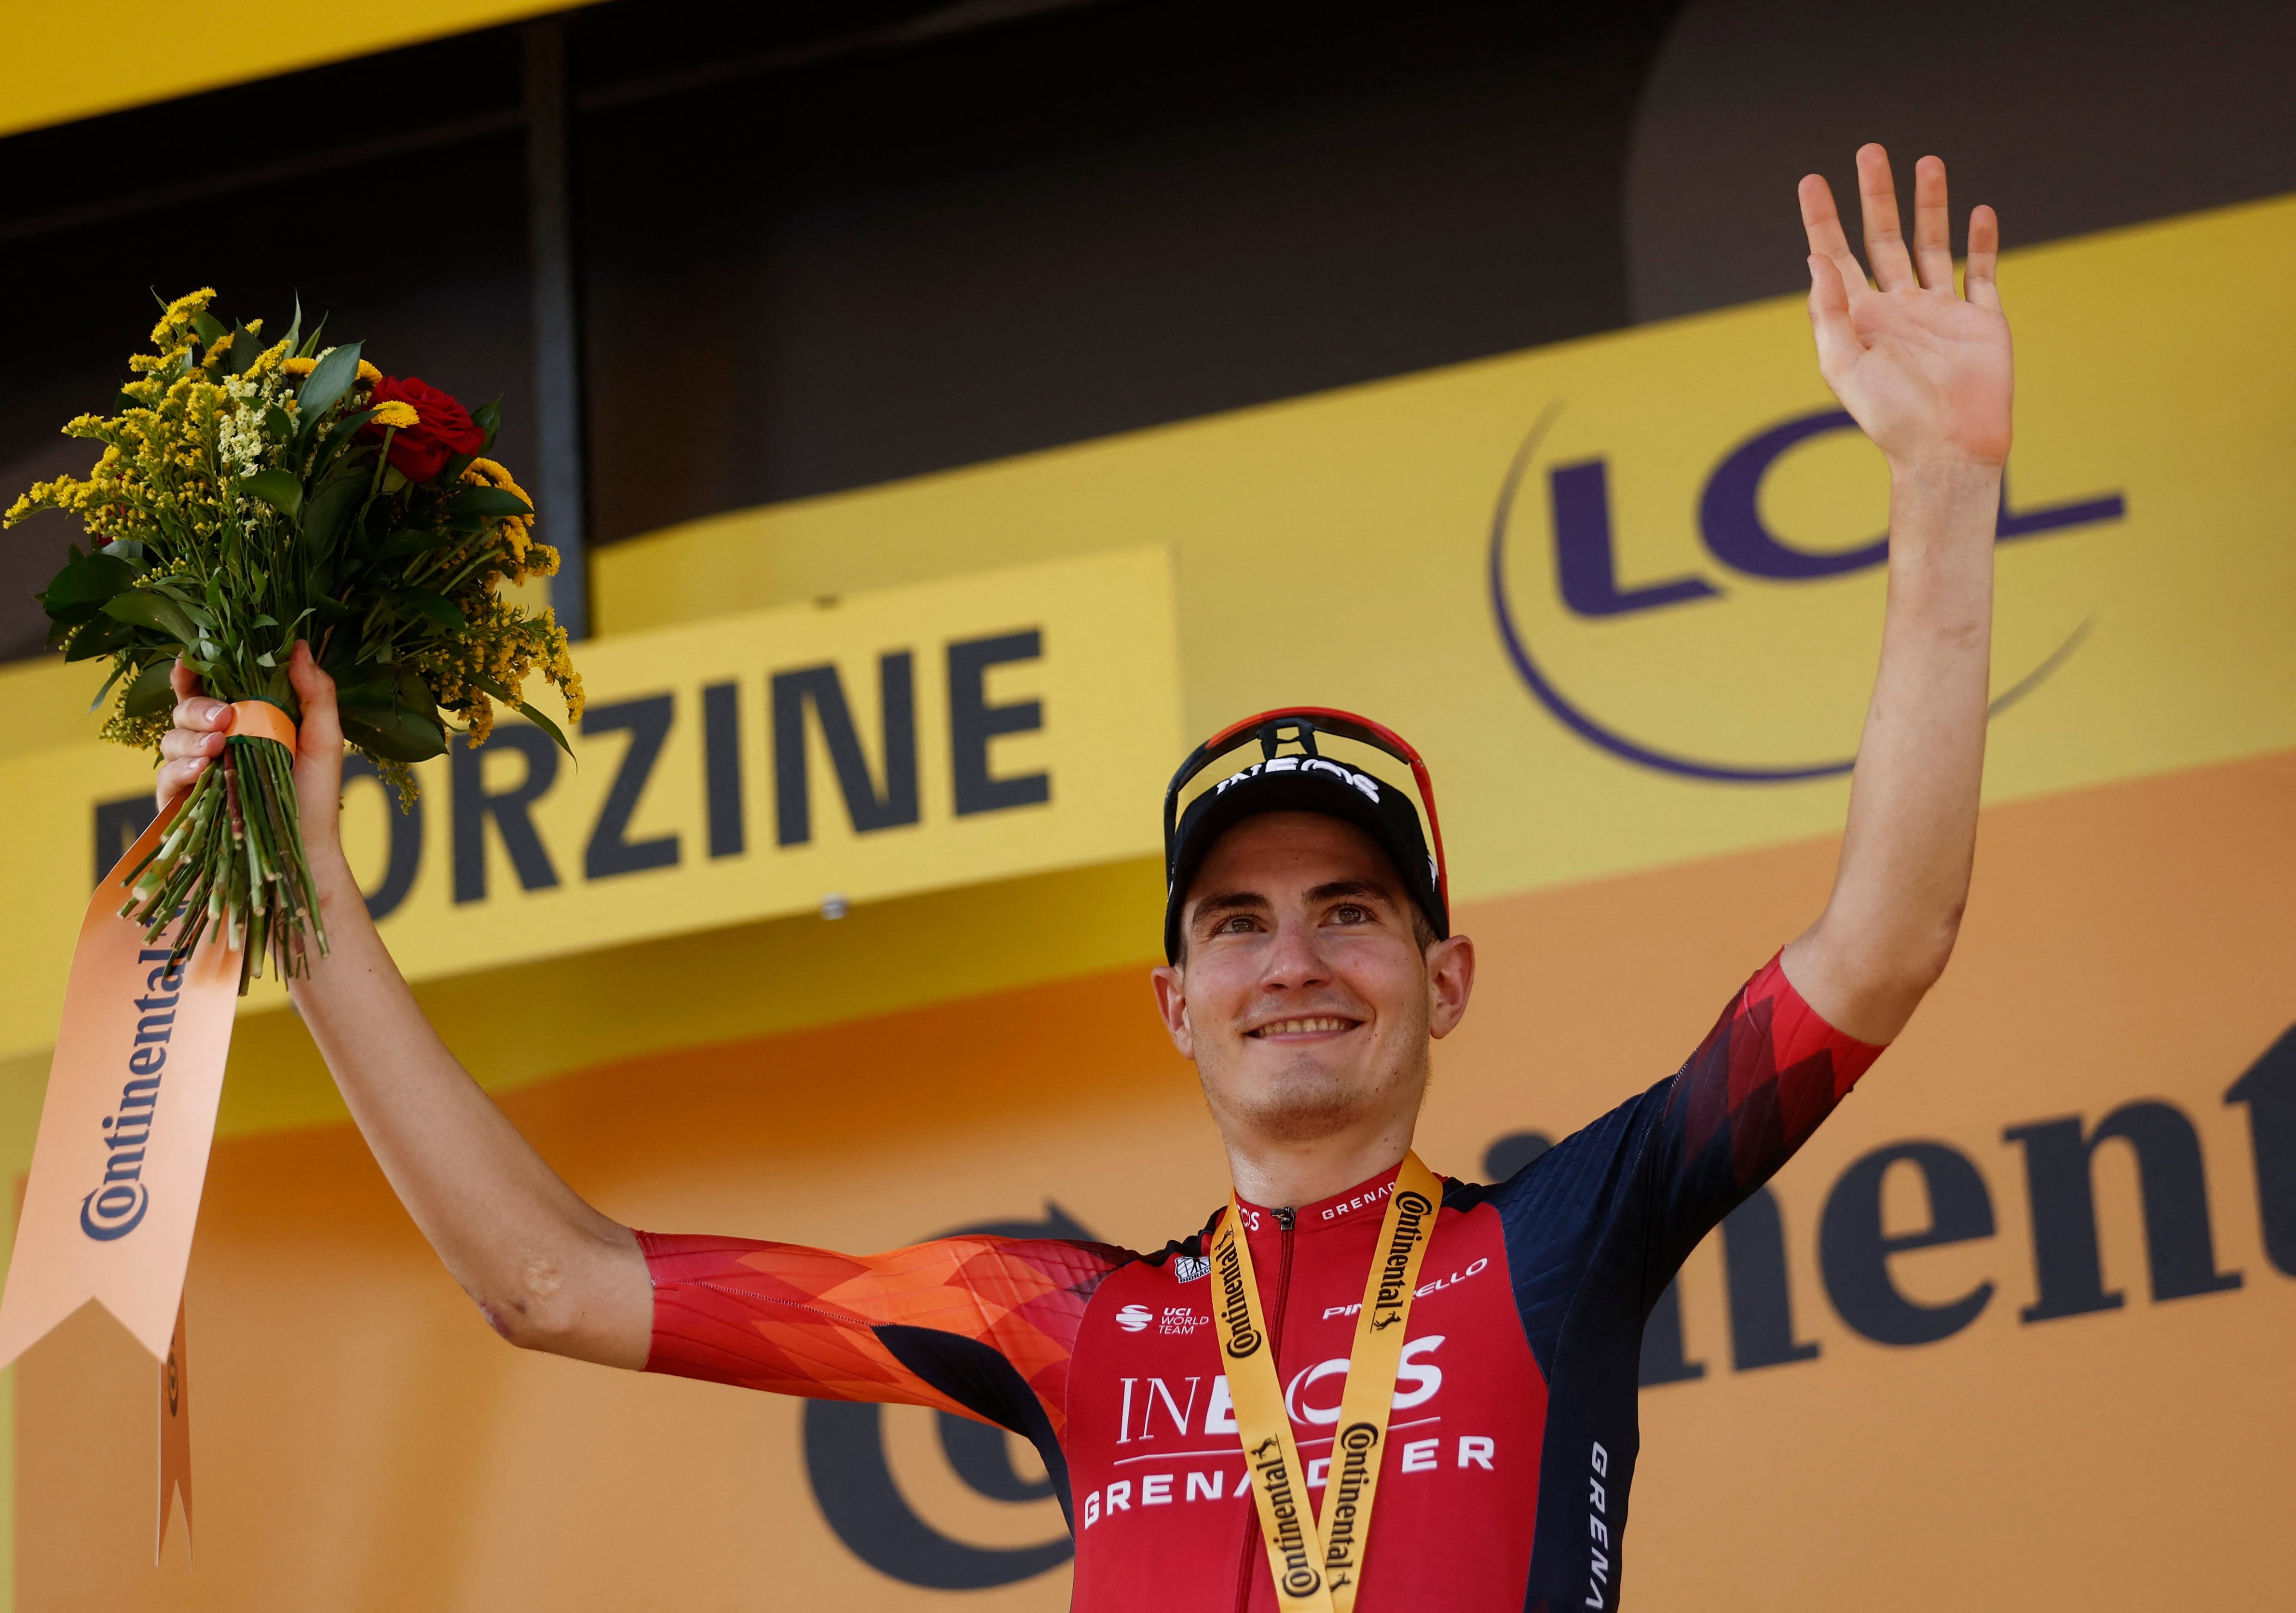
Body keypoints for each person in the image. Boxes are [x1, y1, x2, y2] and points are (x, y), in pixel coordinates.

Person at [154, 144, 2011, 1611]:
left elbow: (1888, 935)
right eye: (1238, 920)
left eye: (1353, 909)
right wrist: (301, 885)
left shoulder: (1562, 1240)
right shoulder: (1059, 1321)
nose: (1295, 960)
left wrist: (1941, 491)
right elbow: (552, 1280)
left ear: (1446, 979)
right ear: (1174, 999)